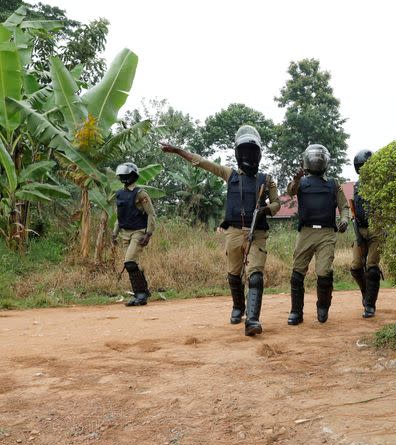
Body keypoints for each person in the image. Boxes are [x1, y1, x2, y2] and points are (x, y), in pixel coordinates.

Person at [160, 125, 280, 336]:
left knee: (255, 276)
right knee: (234, 274)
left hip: (258, 233)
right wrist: (178, 150)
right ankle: (238, 307)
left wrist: (265, 209)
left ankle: (252, 320)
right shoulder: (229, 174)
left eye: (251, 152)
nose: (248, 156)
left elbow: (277, 204)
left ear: (258, 154)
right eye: (244, 152)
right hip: (233, 231)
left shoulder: (266, 180)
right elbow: (203, 162)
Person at [286, 144, 350, 325]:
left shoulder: (333, 184)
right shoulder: (301, 183)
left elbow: (344, 206)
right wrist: (296, 180)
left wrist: (344, 220)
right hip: (305, 232)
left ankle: (323, 306)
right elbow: (290, 192)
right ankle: (296, 312)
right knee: (297, 272)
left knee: (324, 272)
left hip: (326, 233)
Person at [111, 162, 156, 306]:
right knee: (132, 263)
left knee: (129, 262)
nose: (124, 177)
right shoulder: (119, 194)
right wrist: (114, 233)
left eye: (126, 174)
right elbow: (120, 216)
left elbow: (151, 214)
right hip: (125, 233)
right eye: (122, 174)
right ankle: (142, 292)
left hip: (138, 232)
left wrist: (148, 234)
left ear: (133, 175)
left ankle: (141, 294)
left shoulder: (140, 193)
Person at [349, 149, 383, 318]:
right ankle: (365, 293)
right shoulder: (356, 186)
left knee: (372, 267)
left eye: (365, 166)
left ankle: (370, 305)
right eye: (360, 167)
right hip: (360, 229)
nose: (363, 170)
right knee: (355, 266)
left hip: (376, 229)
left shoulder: (381, 184)